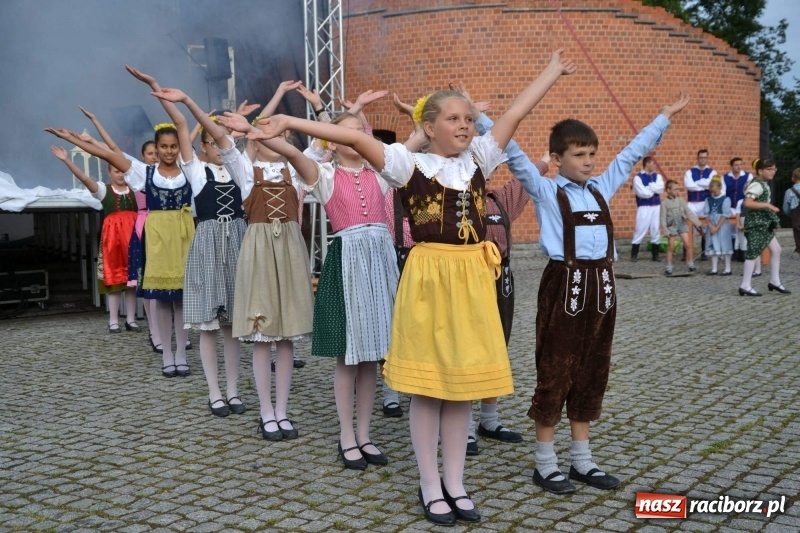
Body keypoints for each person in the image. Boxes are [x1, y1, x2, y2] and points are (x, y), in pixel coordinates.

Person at [251, 49, 577, 525]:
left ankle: (456, 482)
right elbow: (351, 137)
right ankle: (429, 483)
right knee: (428, 388)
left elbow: (513, 115)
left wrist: (550, 71)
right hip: (429, 279)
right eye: (453, 118)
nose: (464, 125)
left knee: (461, 388)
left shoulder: (480, 158)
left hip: (471, 279)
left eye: (468, 119)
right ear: (430, 125)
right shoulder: (408, 164)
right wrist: (288, 122)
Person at [511, 93, 690, 495]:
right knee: (555, 370)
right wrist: (482, 119)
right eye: (579, 154)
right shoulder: (545, 191)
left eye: (592, 154)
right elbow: (515, 156)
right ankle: (545, 463)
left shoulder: (599, 188)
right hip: (564, 285)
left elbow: (630, 155)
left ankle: (582, 460)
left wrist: (662, 116)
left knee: (593, 370)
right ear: (557, 158)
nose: (589, 161)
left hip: (603, 288)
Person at [46, 65, 196, 378]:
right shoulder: (145, 173)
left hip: (183, 235)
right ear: (156, 149)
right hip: (157, 236)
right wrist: (73, 141)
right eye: (163, 147)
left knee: (182, 300)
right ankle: (167, 354)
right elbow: (109, 155)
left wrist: (154, 84)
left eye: (173, 146)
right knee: (162, 300)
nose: (169, 151)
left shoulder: (188, 168)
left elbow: (182, 122)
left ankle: (182, 353)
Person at [214, 109, 317, 442]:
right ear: (254, 143)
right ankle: (266, 411)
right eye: (266, 135)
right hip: (258, 251)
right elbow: (221, 142)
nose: (275, 140)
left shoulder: (295, 172)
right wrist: (188, 102)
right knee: (262, 336)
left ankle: (282, 410)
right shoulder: (246, 171)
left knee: (286, 337)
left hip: (289, 252)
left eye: (281, 135)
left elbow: (322, 144)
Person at [152, 88, 249, 417]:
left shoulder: (238, 168)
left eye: (224, 142)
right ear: (203, 146)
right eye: (214, 143)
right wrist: (172, 97)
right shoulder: (195, 170)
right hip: (208, 244)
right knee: (209, 324)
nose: (221, 148)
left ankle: (233, 390)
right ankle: (214, 392)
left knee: (233, 325)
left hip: (236, 242)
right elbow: (181, 123)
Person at [49, 145, 138, 333]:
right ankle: (113, 320)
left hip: (132, 240)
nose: (120, 174)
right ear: (109, 173)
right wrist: (67, 160)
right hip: (113, 242)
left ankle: (131, 320)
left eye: (122, 170)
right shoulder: (104, 190)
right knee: (114, 282)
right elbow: (84, 178)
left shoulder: (135, 190)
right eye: (116, 171)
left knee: (132, 282)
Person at [739, 159, 789, 296]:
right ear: (760, 171)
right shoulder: (757, 185)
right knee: (753, 252)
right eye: (769, 169)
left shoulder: (762, 184)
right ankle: (745, 285)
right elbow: (748, 203)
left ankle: (775, 281)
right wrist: (767, 205)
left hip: (763, 223)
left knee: (776, 249)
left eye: (774, 169)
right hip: (757, 224)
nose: (773, 172)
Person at [660, 180, 703, 275]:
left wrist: (698, 223)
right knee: (671, 246)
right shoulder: (664, 203)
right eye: (675, 189)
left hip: (681, 223)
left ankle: (691, 264)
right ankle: (669, 267)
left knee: (688, 245)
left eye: (678, 189)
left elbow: (689, 212)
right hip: (671, 225)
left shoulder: (680, 200)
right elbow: (662, 218)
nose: (677, 191)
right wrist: (666, 231)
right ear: (668, 190)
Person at [684, 149, 718, 260]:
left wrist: (697, 184)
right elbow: (689, 186)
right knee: (689, 227)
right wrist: (703, 186)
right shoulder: (690, 172)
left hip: (705, 202)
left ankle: (704, 252)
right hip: (692, 203)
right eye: (701, 157)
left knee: (706, 226)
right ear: (697, 158)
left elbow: (711, 185)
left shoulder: (712, 172)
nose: (703, 159)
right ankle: (687, 252)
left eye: (705, 157)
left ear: (707, 158)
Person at [630, 156, 664, 262]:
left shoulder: (657, 176)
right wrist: (653, 189)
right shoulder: (638, 178)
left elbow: (661, 188)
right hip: (644, 206)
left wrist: (650, 187)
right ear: (647, 164)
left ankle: (655, 254)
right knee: (640, 228)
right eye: (653, 163)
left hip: (656, 206)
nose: (654, 166)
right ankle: (634, 253)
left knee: (655, 229)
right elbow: (643, 193)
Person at [703, 178, 733, 275]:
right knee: (713, 245)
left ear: (720, 188)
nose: (713, 193)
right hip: (712, 225)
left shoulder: (725, 199)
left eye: (715, 191)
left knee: (725, 245)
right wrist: (711, 226)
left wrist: (717, 227)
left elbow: (725, 214)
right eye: (712, 191)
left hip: (722, 225)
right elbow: (706, 214)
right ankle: (714, 269)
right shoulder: (708, 200)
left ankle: (728, 269)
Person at [722, 157, 751, 261]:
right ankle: (733, 251)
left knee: (742, 229)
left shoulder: (747, 176)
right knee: (730, 229)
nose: (739, 167)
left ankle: (742, 252)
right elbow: (723, 192)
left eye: (740, 164)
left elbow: (750, 189)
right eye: (736, 165)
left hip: (742, 206)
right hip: (730, 206)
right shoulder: (725, 177)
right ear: (732, 166)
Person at [781, 168, 800, 256]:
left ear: (793, 178)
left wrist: (790, 214)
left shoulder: (790, 191)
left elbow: (786, 207)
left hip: (796, 214)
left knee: (797, 230)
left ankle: (799, 248)